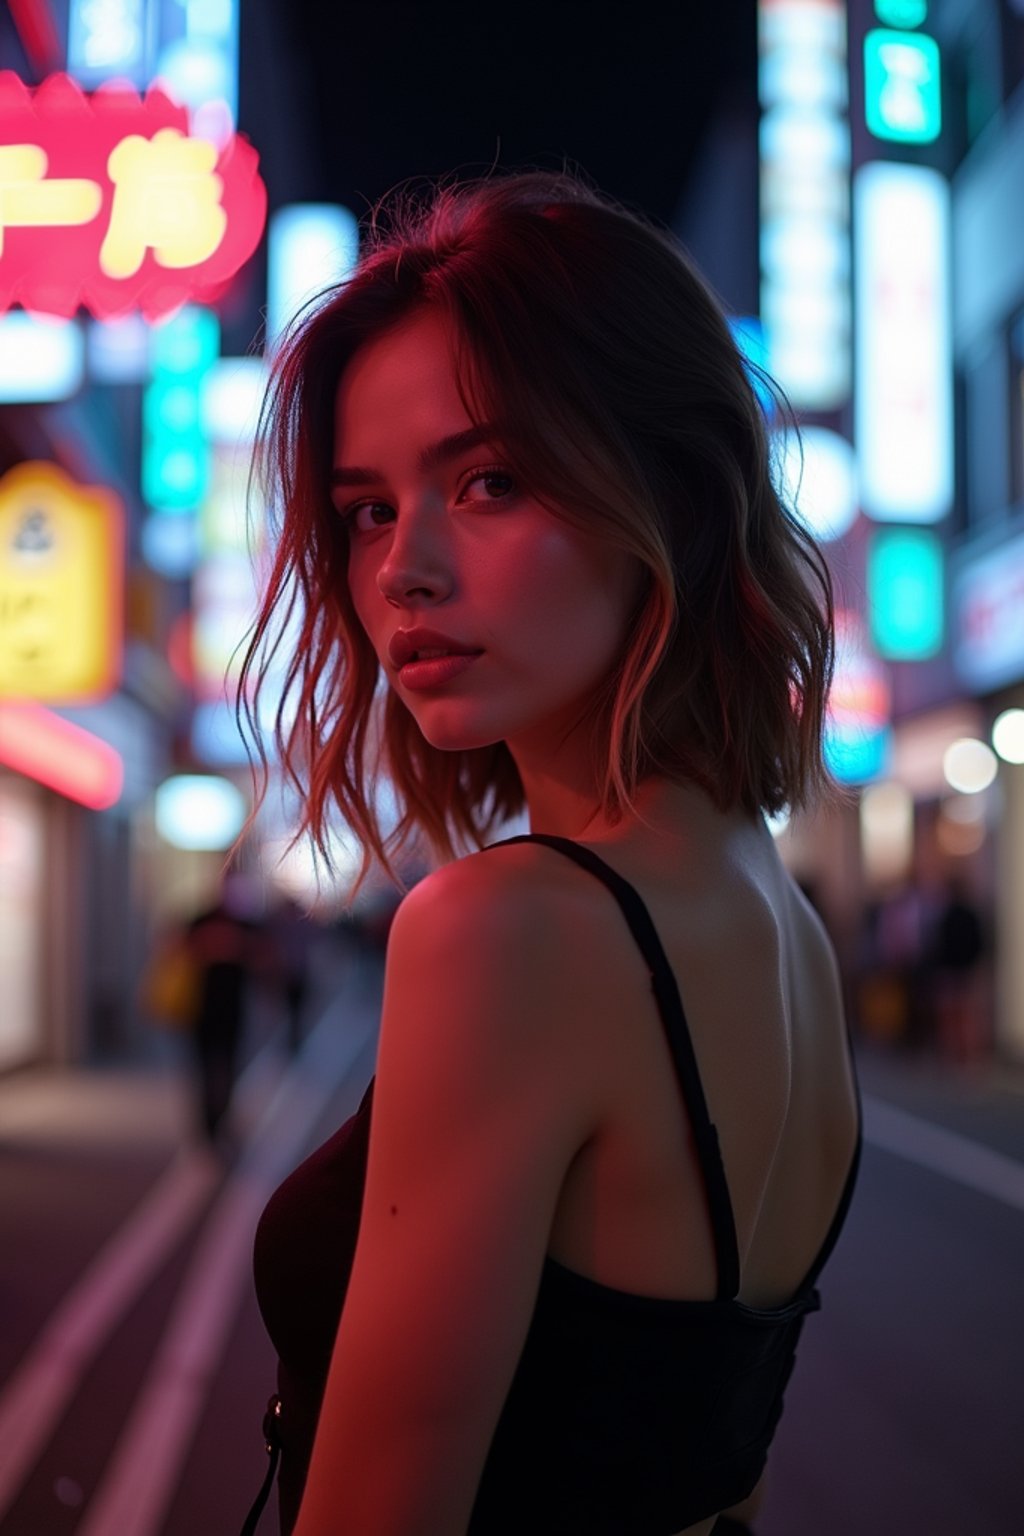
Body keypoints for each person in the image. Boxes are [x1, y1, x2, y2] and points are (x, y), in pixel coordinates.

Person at [239, 169, 862, 1536]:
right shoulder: (787, 931)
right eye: (367, 510)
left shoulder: (511, 930)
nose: (404, 570)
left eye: (491, 479)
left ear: (673, 500)